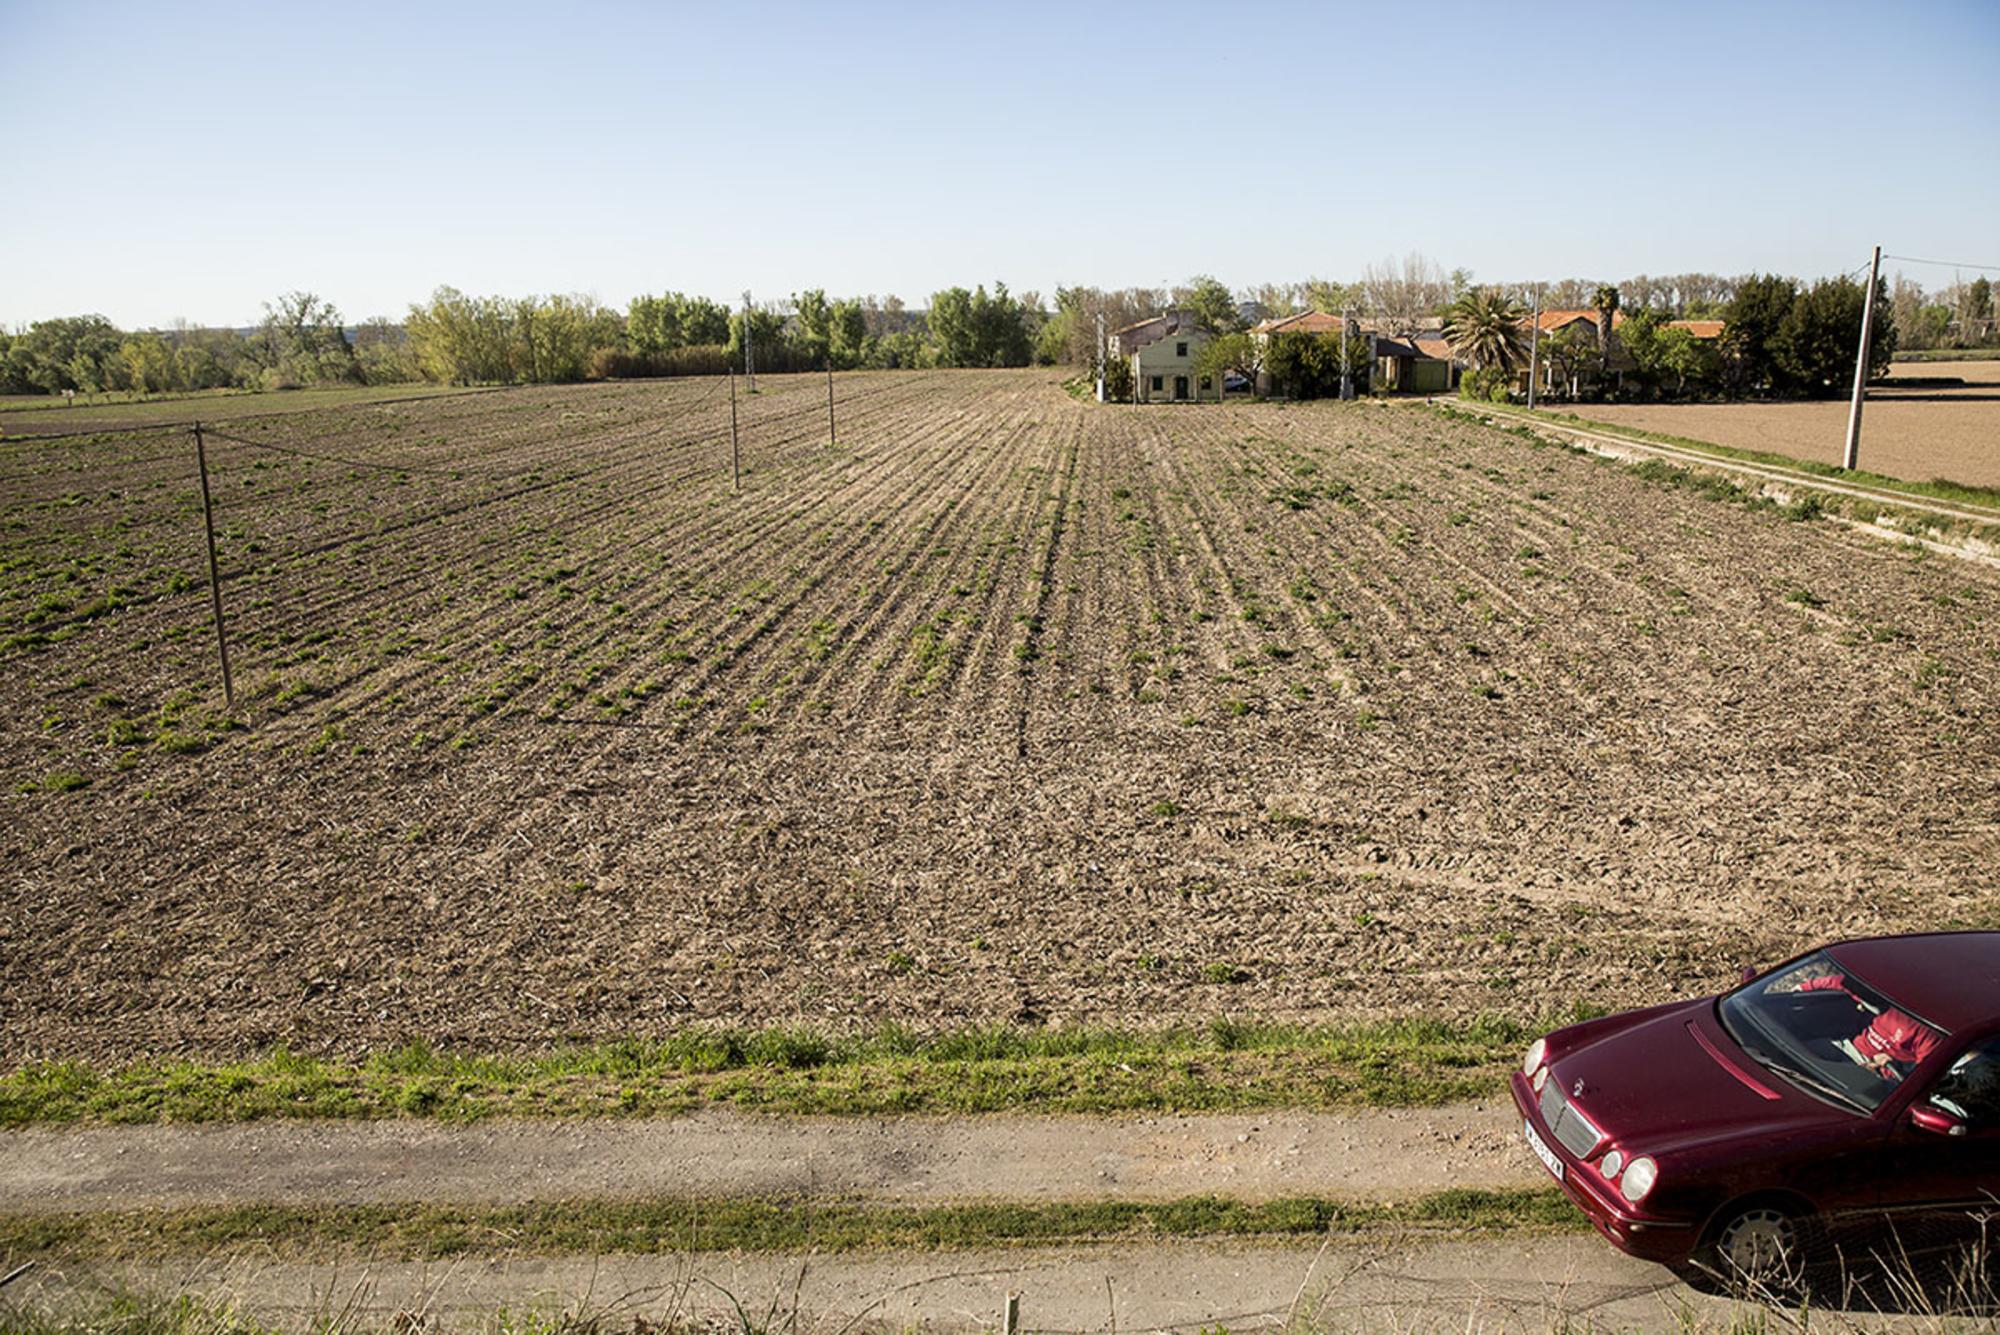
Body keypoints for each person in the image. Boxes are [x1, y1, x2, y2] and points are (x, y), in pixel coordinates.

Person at [1785, 972, 1942, 1078]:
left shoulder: (1928, 1034)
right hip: (1848, 1047)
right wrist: (1805, 987)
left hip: (1877, 1075)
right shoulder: (1884, 996)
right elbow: (1844, 982)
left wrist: (1890, 1065)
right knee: (1796, 1053)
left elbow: (1922, 1076)